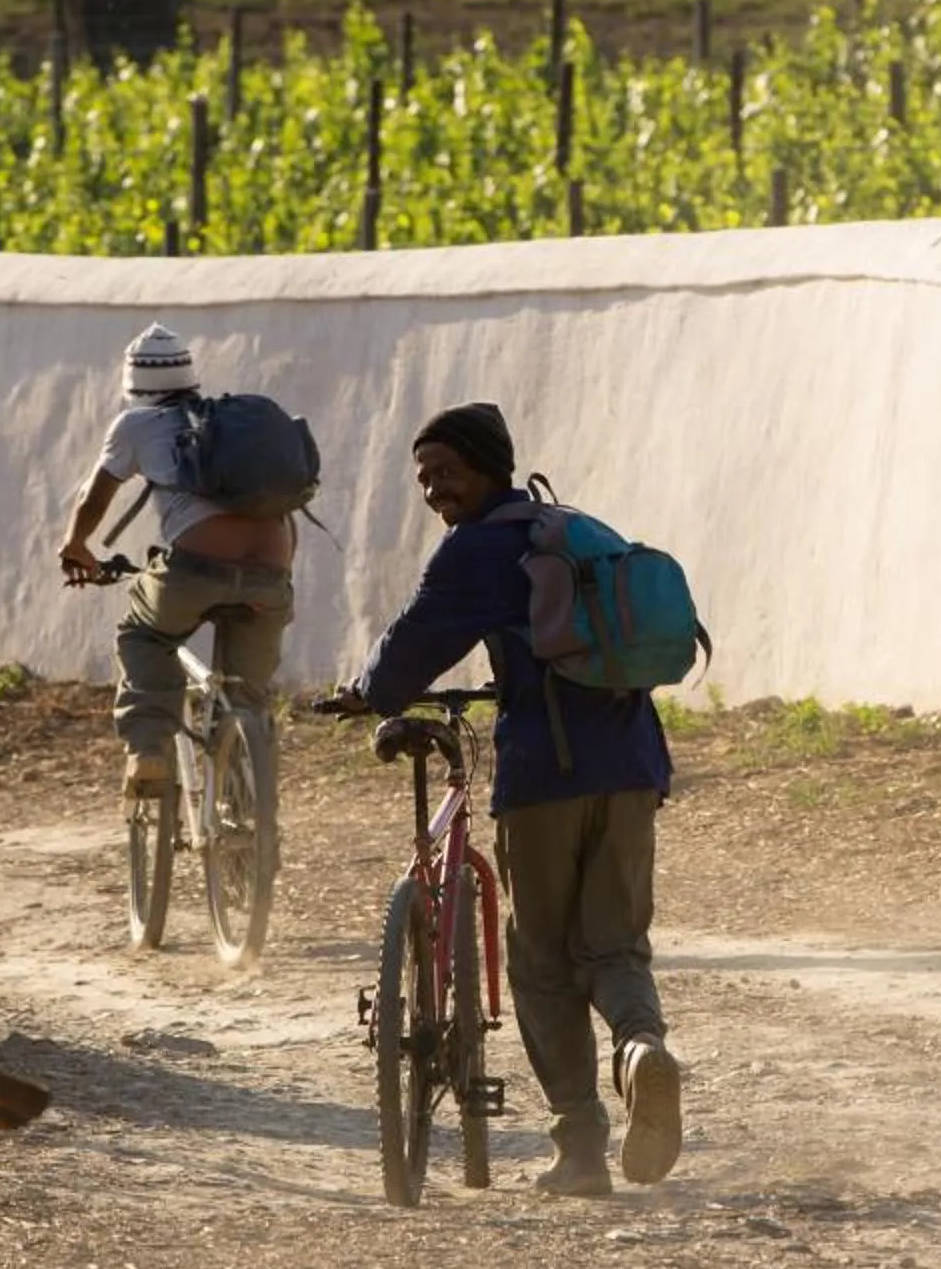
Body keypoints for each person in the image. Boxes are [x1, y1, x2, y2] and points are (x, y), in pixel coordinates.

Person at [341, 403, 684, 1198]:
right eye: (424, 477)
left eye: (446, 473)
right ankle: (640, 1051)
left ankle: (581, 1148)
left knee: (540, 963)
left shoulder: (478, 549)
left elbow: (412, 646)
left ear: (489, 468)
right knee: (616, 947)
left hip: (546, 780)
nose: (433, 490)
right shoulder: (568, 527)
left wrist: (366, 692)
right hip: (632, 765)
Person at [58, 325, 298, 795]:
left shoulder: (136, 426)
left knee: (143, 634)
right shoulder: (233, 424)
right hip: (271, 573)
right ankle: (251, 795)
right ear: (190, 376)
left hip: (194, 569)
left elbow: (95, 495)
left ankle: (148, 752)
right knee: (247, 695)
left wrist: (76, 546)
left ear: (133, 386)